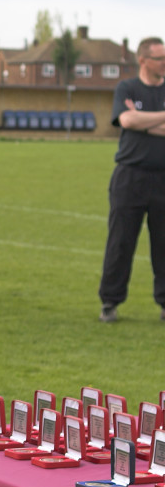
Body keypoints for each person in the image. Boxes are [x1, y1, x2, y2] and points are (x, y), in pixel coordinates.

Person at [98, 37, 165, 323]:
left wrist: (142, 119)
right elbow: (126, 121)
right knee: (121, 242)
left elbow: (136, 121)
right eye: (160, 58)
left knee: (163, 245)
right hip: (129, 177)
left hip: (162, 178)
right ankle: (110, 303)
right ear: (143, 60)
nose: (164, 63)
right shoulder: (126, 87)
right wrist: (156, 119)